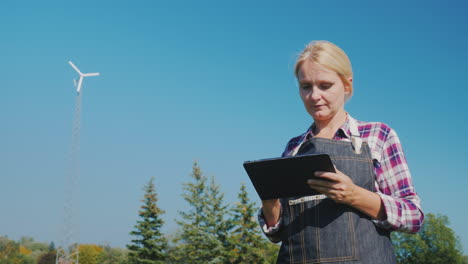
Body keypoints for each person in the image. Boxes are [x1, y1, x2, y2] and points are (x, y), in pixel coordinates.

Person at [258, 40, 424, 264]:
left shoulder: (378, 136)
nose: (314, 96)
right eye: (306, 86)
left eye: (325, 85)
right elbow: (278, 233)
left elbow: (413, 216)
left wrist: (353, 194)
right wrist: (270, 205)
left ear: (347, 85)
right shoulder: (294, 147)